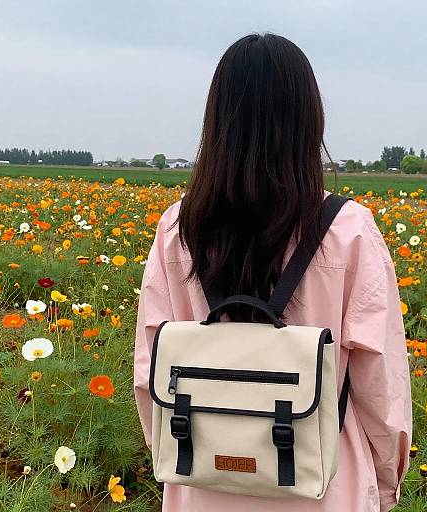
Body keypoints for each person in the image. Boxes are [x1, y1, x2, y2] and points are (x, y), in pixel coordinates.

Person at [134, 32, 412, 512]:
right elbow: (379, 387)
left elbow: (149, 375)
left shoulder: (177, 228)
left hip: (202, 479)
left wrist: (186, 452)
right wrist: (385, 483)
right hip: (324, 483)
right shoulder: (348, 230)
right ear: (308, 121)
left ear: (217, 121)